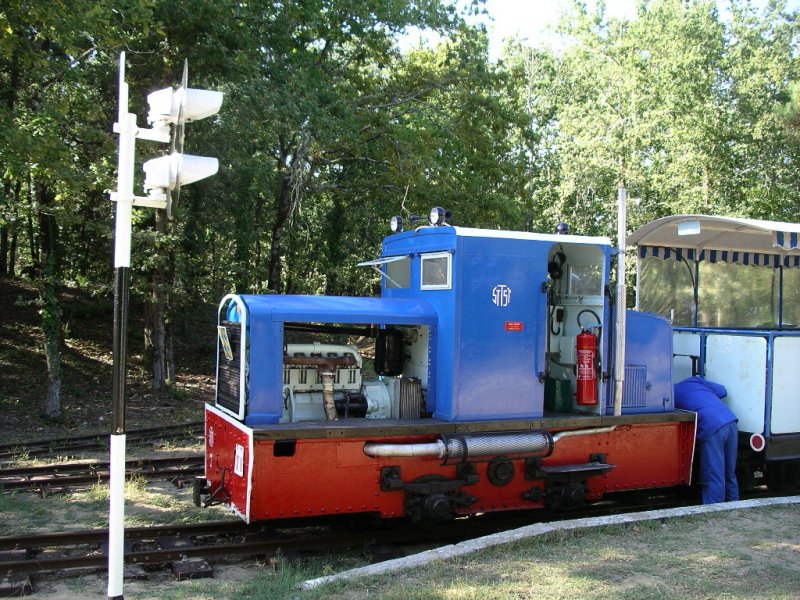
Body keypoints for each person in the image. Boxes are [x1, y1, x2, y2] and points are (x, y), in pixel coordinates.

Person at [674, 376, 739, 504]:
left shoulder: (672, 393)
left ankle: (714, 509)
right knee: (729, 472)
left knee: (713, 473)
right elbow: (722, 391)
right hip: (730, 421)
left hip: (711, 427)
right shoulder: (695, 380)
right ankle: (734, 504)